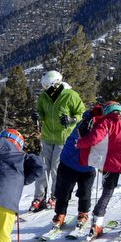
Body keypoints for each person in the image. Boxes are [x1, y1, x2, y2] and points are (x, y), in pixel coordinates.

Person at [75, 101, 121, 238]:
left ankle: (97, 223)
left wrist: (79, 144)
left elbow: (94, 139)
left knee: (107, 193)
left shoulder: (105, 123)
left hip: (109, 164)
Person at [32, 70, 86, 212]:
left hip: (64, 138)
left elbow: (81, 113)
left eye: (48, 86)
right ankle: (39, 197)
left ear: (56, 83)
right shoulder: (44, 96)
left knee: (56, 169)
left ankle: (55, 196)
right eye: (45, 87)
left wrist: (72, 119)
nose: (46, 90)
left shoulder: (70, 95)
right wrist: (38, 115)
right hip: (47, 136)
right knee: (42, 167)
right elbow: (41, 112)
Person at [48, 104, 101, 236]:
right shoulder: (89, 123)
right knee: (67, 191)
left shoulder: (93, 121)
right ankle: (62, 214)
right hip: (71, 162)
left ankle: (80, 213)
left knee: (78, 191)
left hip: (84, 164)